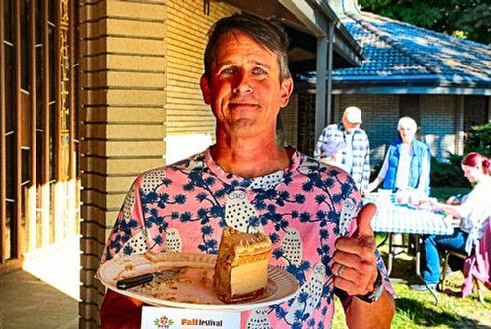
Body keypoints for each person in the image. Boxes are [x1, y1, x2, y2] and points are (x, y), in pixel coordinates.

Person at [99, 13, 395, 329]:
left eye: (259, 71)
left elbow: (375, 324)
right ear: (207, 89)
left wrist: (368, 286)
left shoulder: (332, 191)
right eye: (229, 70)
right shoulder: (155, 191)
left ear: (284, 90)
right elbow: (116, 311)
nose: (243, 84)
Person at [411, 152, 491, 291]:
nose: (465, 175)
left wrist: (438, 206)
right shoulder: (485, 184)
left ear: (478, 168)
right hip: (478, 237)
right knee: (440, 233)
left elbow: (462, 212)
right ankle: (448, 267)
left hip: (471, 240)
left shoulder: (481, 189)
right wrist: (456, 200)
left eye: (467, 171)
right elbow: (467, 203)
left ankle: (430, 280)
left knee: (430, 237)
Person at [367, 116, 430, 196]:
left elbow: (424, 174)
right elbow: (384, 169)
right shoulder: (393, 147)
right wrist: (372, 186)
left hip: (412, 193)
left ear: (414, 130)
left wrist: (419, 192)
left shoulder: (422, 149)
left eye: (408, 129)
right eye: (402, 129)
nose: (405, 132)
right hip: (392, 191)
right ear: (399, 130)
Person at [314, 106, 371, 193]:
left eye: (357, 122)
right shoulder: (330, 131)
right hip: (331, 183)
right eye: (352, 122)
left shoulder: (362, 135)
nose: (354, 125)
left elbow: (366, 164)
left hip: (353, 185)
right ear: (344, 119)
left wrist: (364, 186)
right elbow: (317, 157)